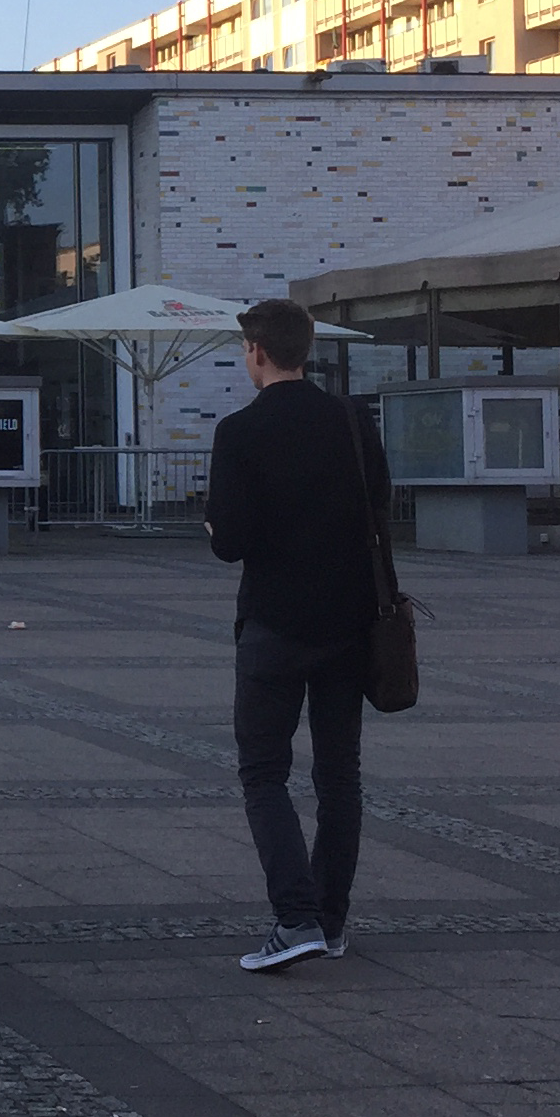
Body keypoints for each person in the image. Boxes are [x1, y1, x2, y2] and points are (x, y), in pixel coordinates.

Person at [204, 296, 390, 973]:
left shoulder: (240, 431)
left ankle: (295, 917)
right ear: (306, 349)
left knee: (264, 772)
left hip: (274, 624)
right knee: (340, 776)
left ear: (256, 352)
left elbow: (230, 541)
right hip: (350, 622)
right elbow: (381, 507)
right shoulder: (352, 421)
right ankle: (330, 922)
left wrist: (218, 527)